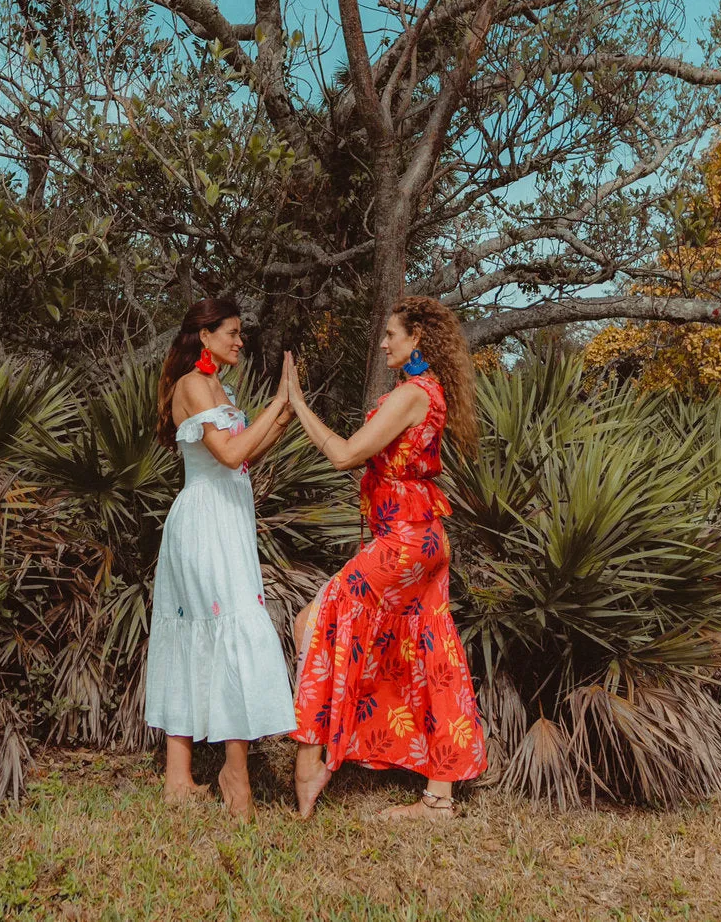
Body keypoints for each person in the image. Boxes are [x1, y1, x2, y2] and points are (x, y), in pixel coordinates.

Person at [286, 296, 487, 819]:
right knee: (429, 653)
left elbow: (345, 454)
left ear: (417, 336)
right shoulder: (417, 391)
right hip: (416, 538)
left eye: (392, 335)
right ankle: (437, 795)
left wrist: (297, 402)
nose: (383, 343)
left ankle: (315, 759)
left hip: (405, 540)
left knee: (321, 617)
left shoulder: (415, 393)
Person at [146, 297, 296, 821]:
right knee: (228, 626)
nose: (239, 341)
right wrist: (278, 401)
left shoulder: (221, 389)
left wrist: (287, 409)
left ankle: (178, 777)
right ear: (204, 335)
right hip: (204, 522)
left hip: (230, 518)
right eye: (231, 332)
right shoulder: (192, 383)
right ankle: (235, 769)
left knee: (205, 630)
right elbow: (229, 456)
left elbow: (247, 452)